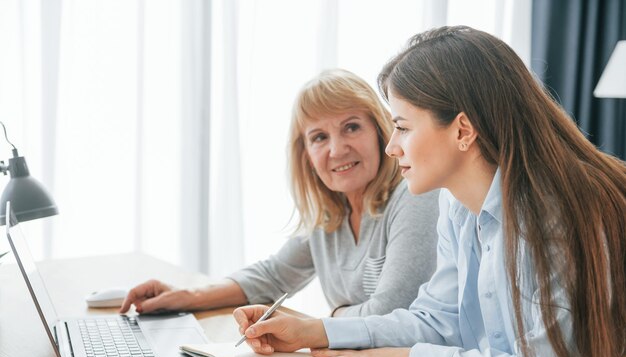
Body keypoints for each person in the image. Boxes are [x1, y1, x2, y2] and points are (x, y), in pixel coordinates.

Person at [233, 27, 626, 357]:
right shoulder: (457, 207)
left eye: (402, 127)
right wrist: (316, 332)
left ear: (462, 130)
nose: (391, 147)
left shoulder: (546, 213)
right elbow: (437, 319)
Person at [120, 69, 439, 317]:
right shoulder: (330, 216)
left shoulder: (413, 196)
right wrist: (187, 296)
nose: (337, 149)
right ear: (306, 154)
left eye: (351, 127)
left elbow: (393, 312)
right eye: (319, 137)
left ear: (380, 130)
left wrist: (330, 318)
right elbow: (273, 276)